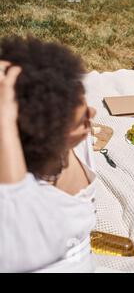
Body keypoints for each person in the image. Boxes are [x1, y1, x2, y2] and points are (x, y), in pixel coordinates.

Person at [0, 36, 98, 272]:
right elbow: (13, 201)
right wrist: (4, 120)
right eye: (81, 120)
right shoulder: (58, 216)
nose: (92, 114)